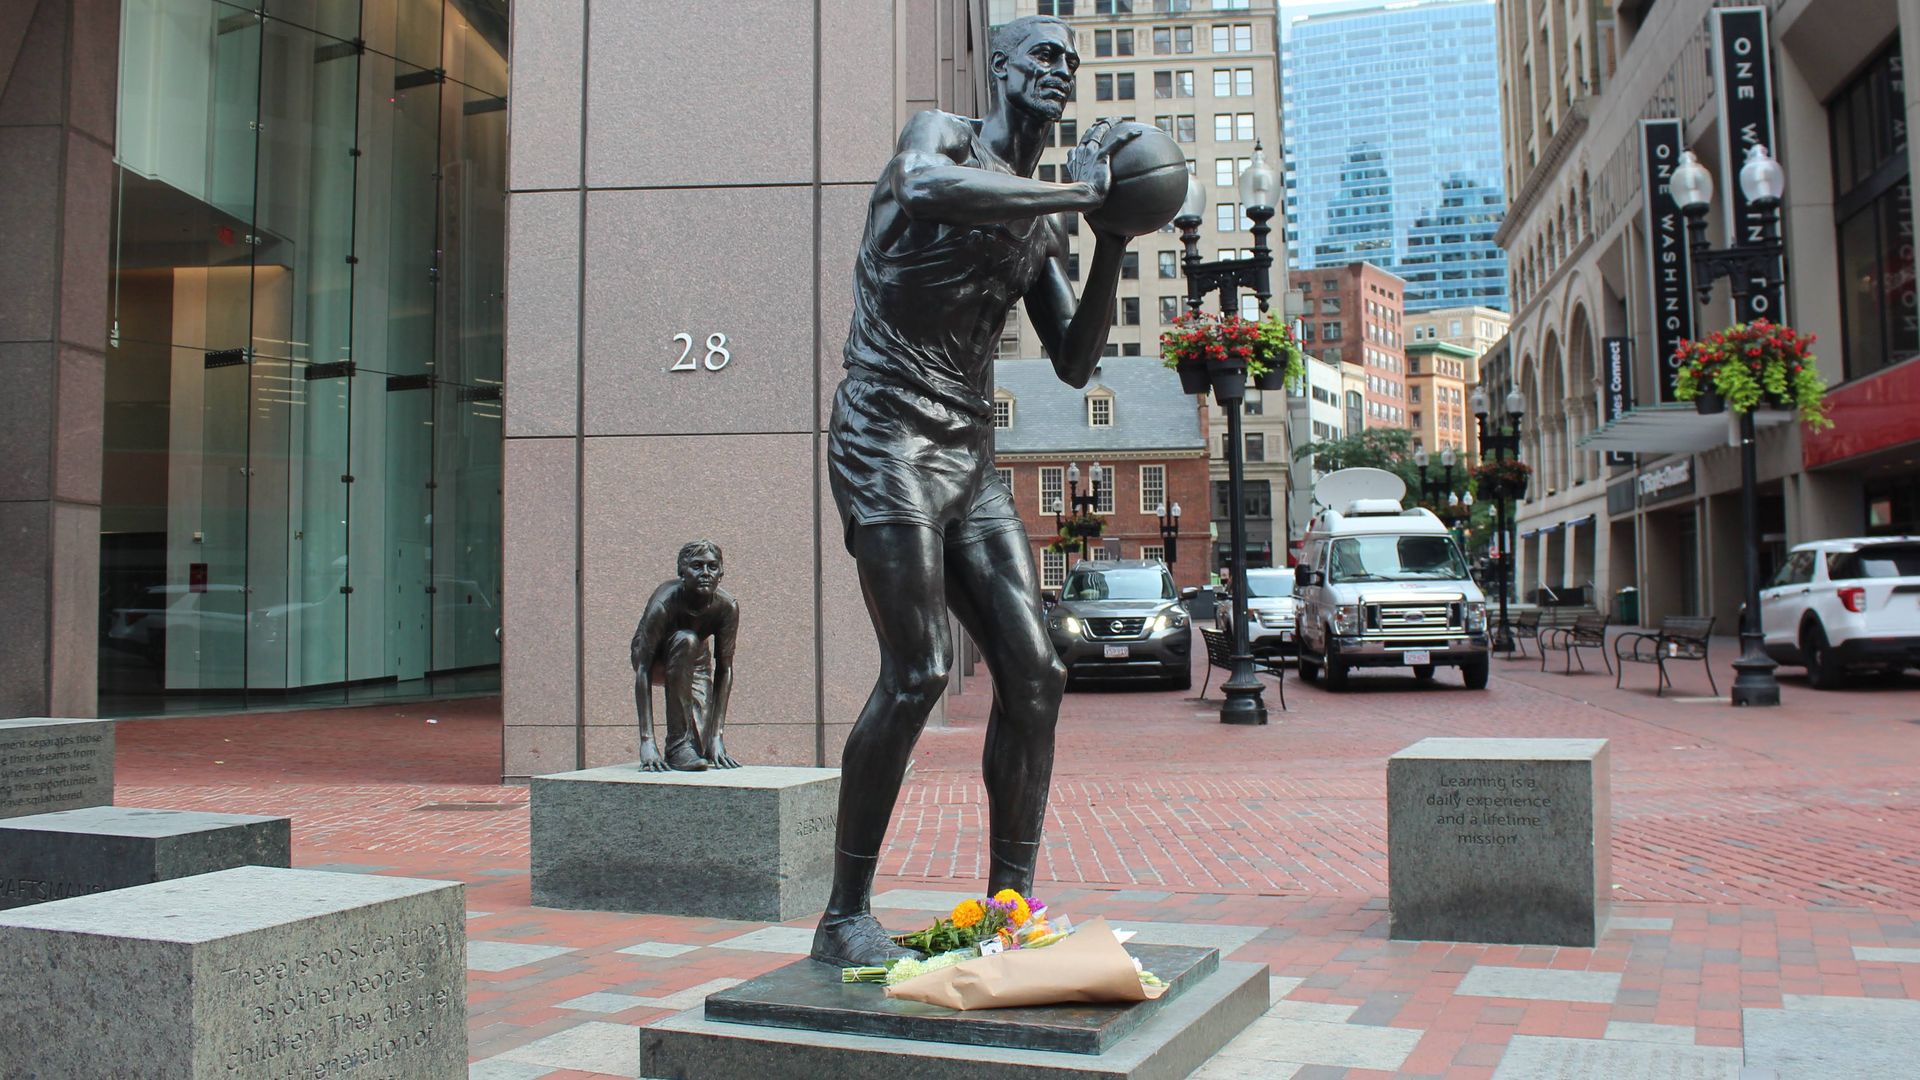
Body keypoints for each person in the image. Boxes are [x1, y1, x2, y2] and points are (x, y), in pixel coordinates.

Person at [812, 14, 1140, 966]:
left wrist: (1110, 237)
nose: (1061, 70)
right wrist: (1082, 190)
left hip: (968, 450)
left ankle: (1010, 910)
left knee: (1036, 674)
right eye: (1043, 55)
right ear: (997, 67)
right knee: (915, 670)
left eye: (1070, 62)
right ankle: (844, 914)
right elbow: (922, 188)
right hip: (885, 432)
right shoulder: (940, 136)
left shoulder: (1038, 220)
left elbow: (1077, 362)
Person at [629, 540, 740, 772]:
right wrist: (647, 741)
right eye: (697, 566)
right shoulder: (664, 601)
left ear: (721, 573)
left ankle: (691, 745)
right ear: (682, 572)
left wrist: (717, 736)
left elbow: (725, 669)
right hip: (654, 655)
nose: (705, 573)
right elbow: (643, 670)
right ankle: (676, 744)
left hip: (696, 657)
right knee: (686, 639)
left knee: (703, 746)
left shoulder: (727, 607)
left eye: (712, 567)